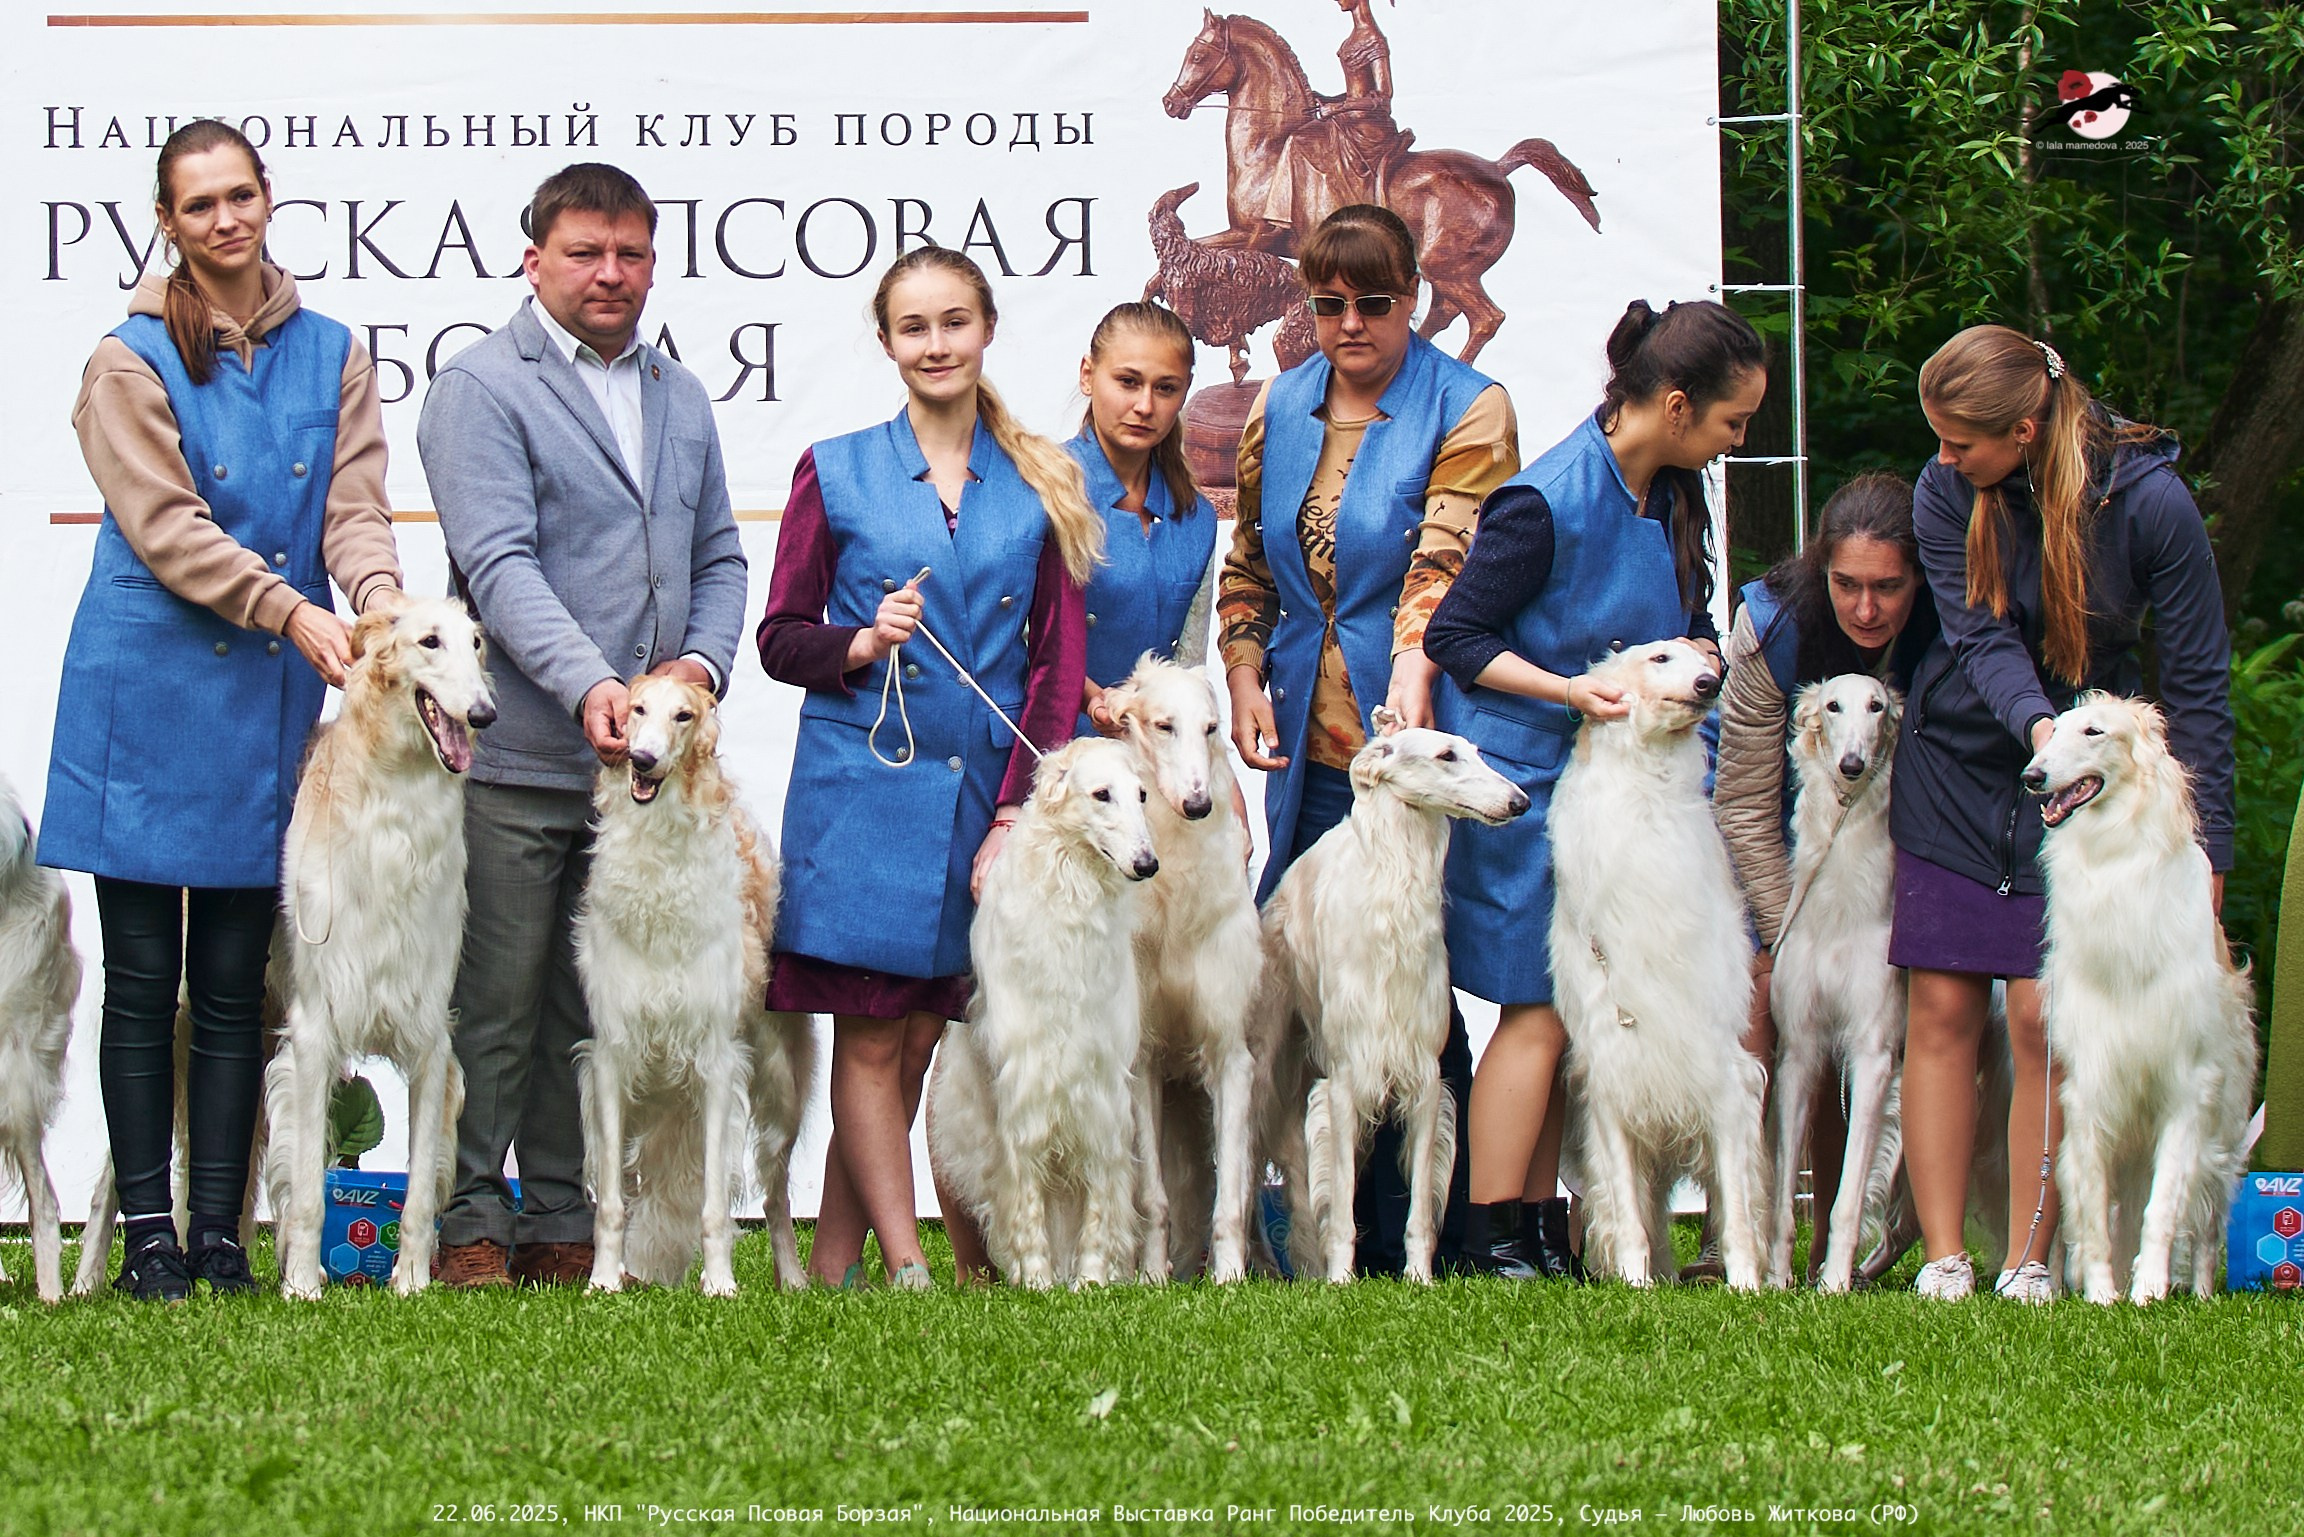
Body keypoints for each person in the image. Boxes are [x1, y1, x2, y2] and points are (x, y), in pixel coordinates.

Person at [41, 120, 404, 1301]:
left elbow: (352, 505)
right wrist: (293, 610)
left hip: (261, 700)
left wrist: (381, 599)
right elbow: (167, 530)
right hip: (147, 688)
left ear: (267, 198)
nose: (224, 220)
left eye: (239, 196)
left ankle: (220, 1232)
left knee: (239, 977)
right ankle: (148, 1233)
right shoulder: (126, 358)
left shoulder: (335, 349)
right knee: (146, 977)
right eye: (198, 205)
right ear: (168, 221)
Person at [419, 162, 747, 1289]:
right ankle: (469, 1220)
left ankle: (565, 1220)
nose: (612, 274)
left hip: (643, 785)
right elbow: (498, 568)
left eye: (632, 254)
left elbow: (718, 557)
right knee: (496, 1004)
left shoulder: (681, 393)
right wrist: (590, 685)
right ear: (534, 259)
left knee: (583, 1016)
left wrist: (698, 665)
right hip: (519, 759)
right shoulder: (477, 388)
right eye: (586, 253)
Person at [758, 247, 1095, 1289]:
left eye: (955, 321)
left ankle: (829, 1265)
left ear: (986, 328)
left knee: (912, 1045)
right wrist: (859, 642)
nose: (937, 343)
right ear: (887, 341)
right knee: (867, 1036)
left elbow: (1057, 668)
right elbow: (779, 639)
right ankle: (909, 1265)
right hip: (861, 794)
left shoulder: (1039, 481)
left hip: (978, 805)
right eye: (915, 326)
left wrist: (1012, 815)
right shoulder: (837, 466)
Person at [1424, 299, 1767, 1280]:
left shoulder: (1664, 496)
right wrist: (1569, 688)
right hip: (1527, 783)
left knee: (1579, 1008)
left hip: (1615, 798)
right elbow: (1458, 637)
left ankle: (1539, 1226)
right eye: (1732, 422)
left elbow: (1680, 619)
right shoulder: (1546, 500)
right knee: (1535, 1005)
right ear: (1673, 403)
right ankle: (1488, 1235)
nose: (1737, 440)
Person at [1896, 323, 2233, 1303]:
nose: (1944, 458)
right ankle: (1945, 1256)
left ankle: (2031, 1261)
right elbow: (1975, 633)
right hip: (1962, 762)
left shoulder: (2152, 505)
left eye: (1962, 442)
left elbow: (2200, 685)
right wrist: (2038, 728)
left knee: (2045, 1016)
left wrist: (2208, 852)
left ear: (2029, 426)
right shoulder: (1943, 489)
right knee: (1944, 1004)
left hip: (2091, 782)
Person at [1219, 203, 1520, 1273]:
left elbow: (1448, 558)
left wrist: (1412, 674)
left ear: (1414, 297)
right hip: (1305, 733)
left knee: (1418, 992)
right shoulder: (1279, 404)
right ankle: (1295, 1229)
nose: (1350, 323)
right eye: (1328, 303)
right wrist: (1246, 672)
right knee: (1300, 991)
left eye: (1375, 303)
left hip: (1415, 730)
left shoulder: (1469, 405)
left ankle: (1449, 1232)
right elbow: (1249, 559)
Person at [1702, 470, 1938, 1280]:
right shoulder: (1769, 624)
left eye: (1887, 587)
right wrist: (1785, 928)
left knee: (1883, 1020)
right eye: (1846, 585)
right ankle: (1737, 1233)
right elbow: (1739, 796)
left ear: (1918, 578)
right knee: (1763, 992)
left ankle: (1869, 1235)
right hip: (1779, 846)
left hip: (1898, 864)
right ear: (1820, 572)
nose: (1866, 609)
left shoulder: (1950, 625)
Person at [1069, 301, 1219, 734]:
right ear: (1087, 375)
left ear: (1185, 393)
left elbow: (1190, 669)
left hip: (1157, 773)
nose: (1144, 405)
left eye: (1165, 388)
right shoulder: (1042, 491)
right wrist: (1097, 702)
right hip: (1054, 761)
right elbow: (1011, 640)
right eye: (1128, 382)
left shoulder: (1197, 519)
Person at [1266, 0, 1407, 230]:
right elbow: (1357, 92)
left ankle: (1289, 220)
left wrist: (1336, 109)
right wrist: (1328, 99)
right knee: (1300, 133)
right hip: (1350, 119)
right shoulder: (1354, 38)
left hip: (1369, 127)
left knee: (1299, 141)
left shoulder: (1374, 40)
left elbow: (1383, 97)